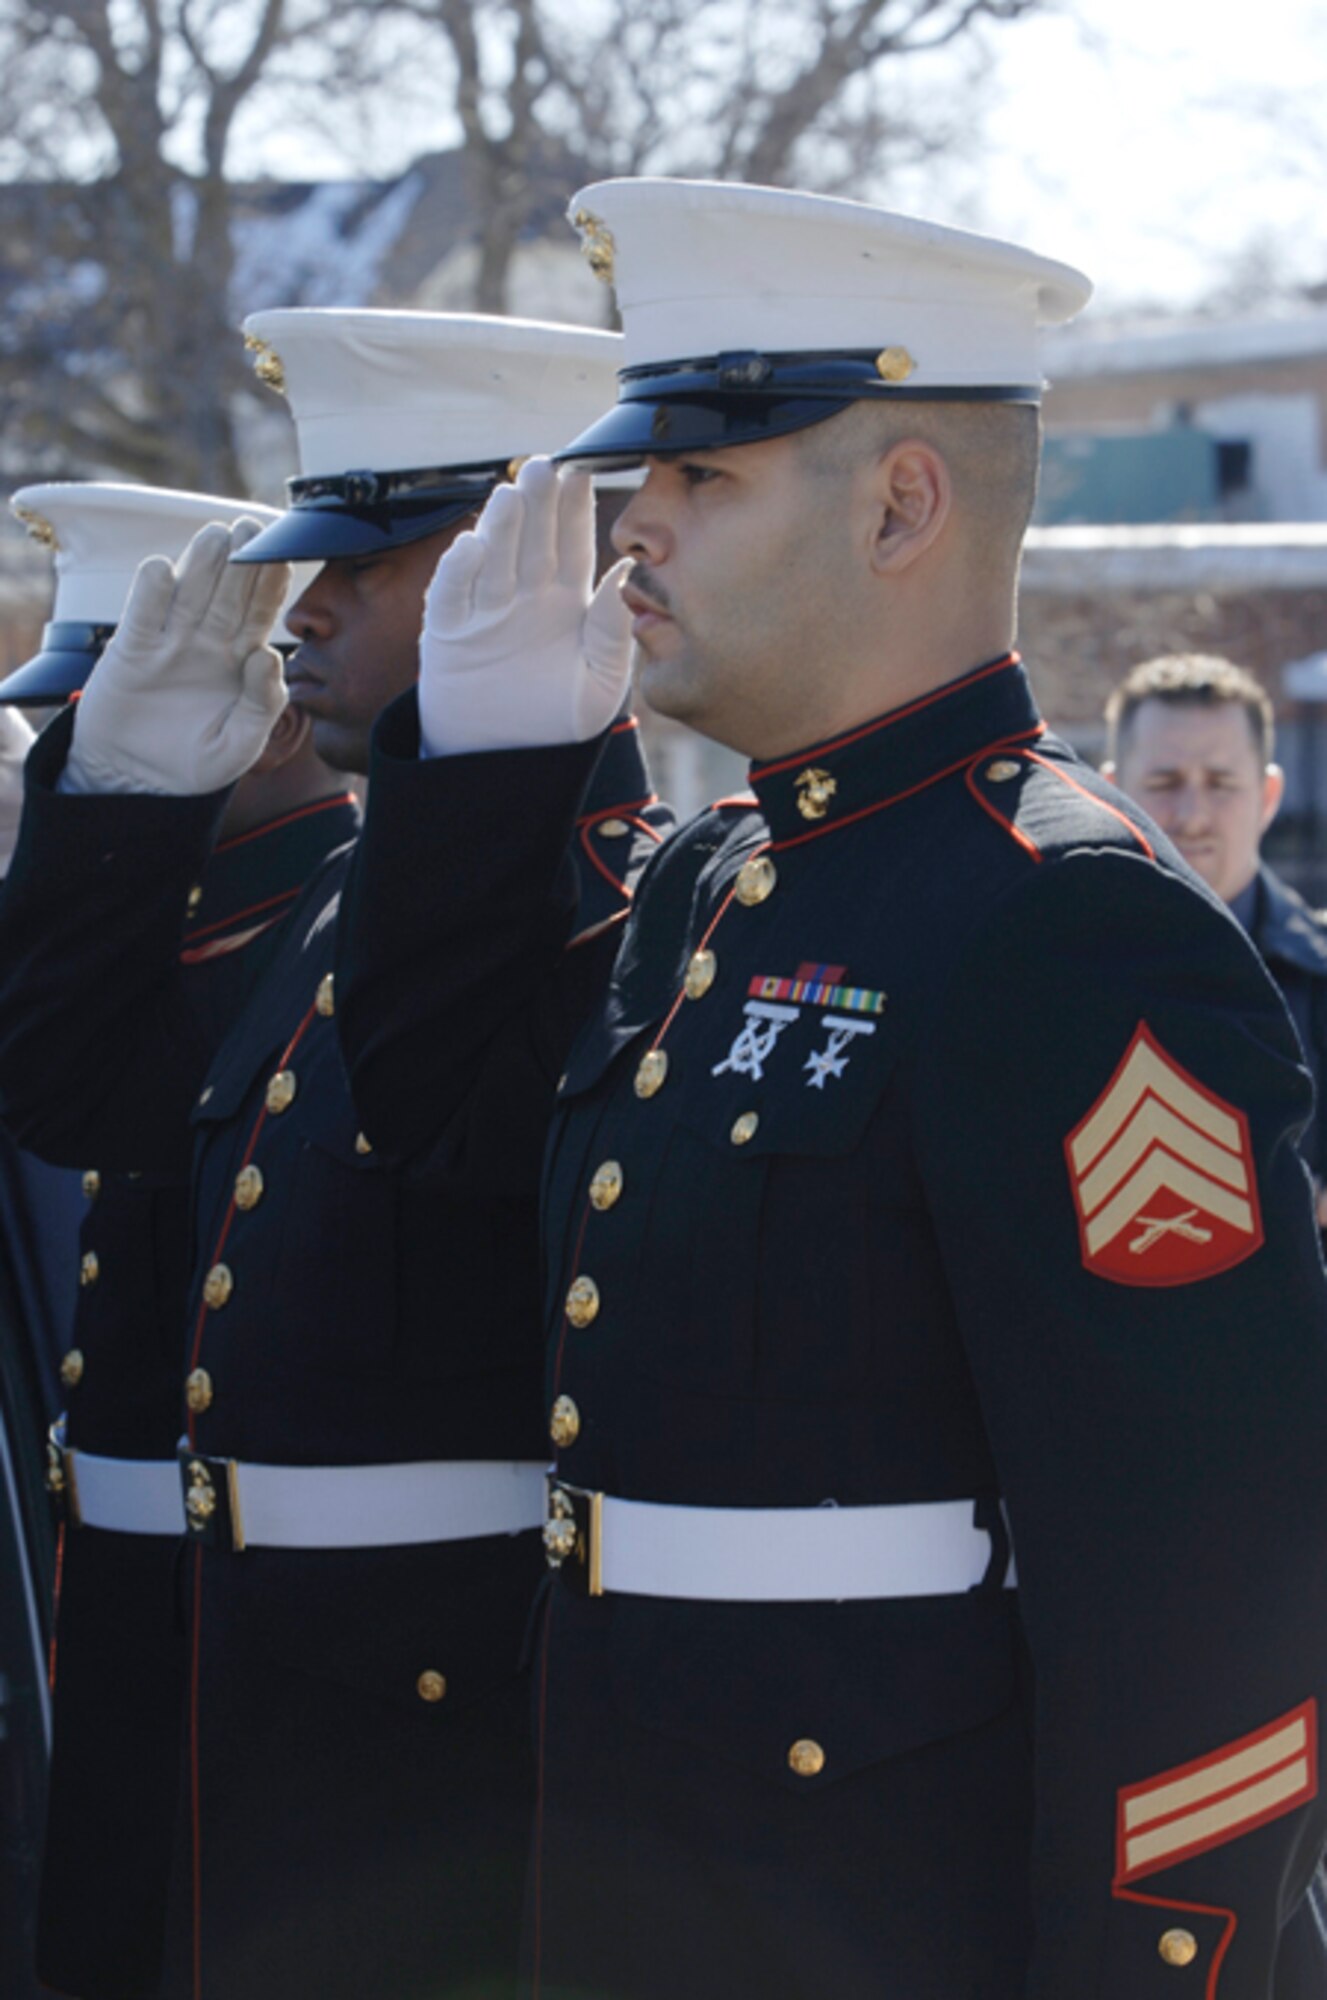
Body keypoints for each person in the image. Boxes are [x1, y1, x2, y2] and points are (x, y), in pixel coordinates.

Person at [333, 181, 1327, 1999]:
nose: (634, 520)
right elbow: (432, 1117)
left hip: (882, 1915)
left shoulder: (1072, 927)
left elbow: (1212, 1576)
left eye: (702, 476)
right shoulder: (712, 878)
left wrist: (1159, 1968)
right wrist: (475, 767)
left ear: (898, 504)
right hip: (631, 1876)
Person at [0, 311, 663, 2000]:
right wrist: (123, 794)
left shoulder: (639, 913)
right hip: (253, 1714)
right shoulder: (338, 914)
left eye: (370, 568)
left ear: (534, 558)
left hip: (439, 1765)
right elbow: (79, 1094)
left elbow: (447, 1116)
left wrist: (489, 773)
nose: (306, 607)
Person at [0, 478, 358, 2000]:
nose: (98, 777)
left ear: (267, 712)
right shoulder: (164, 959)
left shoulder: (350, 942)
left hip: (319, 1704)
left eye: (139, 719)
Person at [1105, 651, 1327, 1219]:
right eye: (1164, 781)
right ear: (1110, 793)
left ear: (1268, 797)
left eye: (1222, 783)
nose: (1193, 814)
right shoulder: (1047, 976)